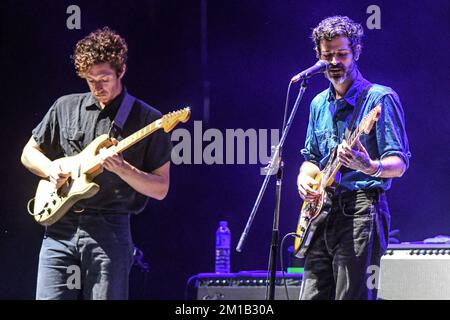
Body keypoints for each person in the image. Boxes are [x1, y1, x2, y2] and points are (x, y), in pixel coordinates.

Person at [21, 27, 172, 300]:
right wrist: (50, 168)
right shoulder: (65, 106)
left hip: (109, 231)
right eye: (90, 80)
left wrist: (124, 169)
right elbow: (28, 153)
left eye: (104, 78)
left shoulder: (149, 119)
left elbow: (160, 189)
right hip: (59, 228)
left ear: (121, 71)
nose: (97, 88)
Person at [296, 16, 410, 300]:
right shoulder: (317, 103)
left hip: (360, 210)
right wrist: (304, 177)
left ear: (356, 52)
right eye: (327, 55)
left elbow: (399, 164)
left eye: (342, 54)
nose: (334, 61)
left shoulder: (379, 99)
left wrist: (370, 166)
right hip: (321, 214)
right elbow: (311, 158)